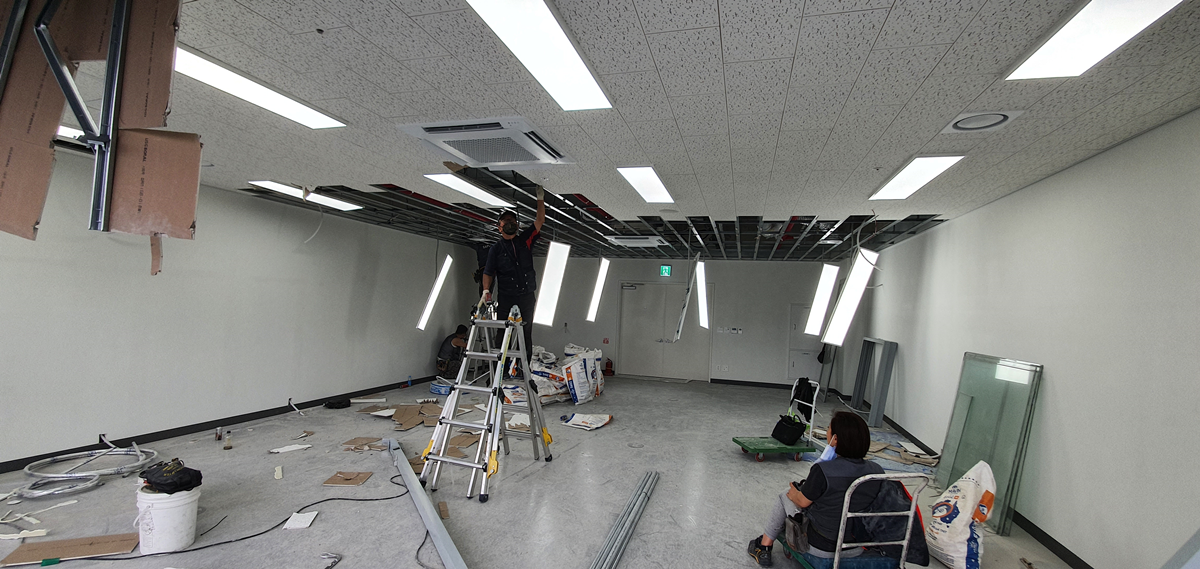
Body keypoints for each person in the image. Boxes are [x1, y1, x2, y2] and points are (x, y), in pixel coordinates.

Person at [747, 412, 891, 568]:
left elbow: (802, 502)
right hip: (856, 546)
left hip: (822, 547)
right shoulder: (877, 470)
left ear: (835, 439)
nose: (827, 432)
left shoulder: (824, 470)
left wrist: (794, 494)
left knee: (785, 495)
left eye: (829, 429)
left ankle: (764, 546)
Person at [481, 186, 545, 364]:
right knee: (503, 331)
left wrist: (540, 199)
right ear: (499, 227)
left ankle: (525, 368)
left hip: (526, 295)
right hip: (506, 296)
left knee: (526, 332)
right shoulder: (496, 249)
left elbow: (540, 220)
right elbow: (488, 272)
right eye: (506, 221)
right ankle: (500, 368)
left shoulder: (525, 240)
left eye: (512, 220)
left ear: (517, 225)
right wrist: (486, 290)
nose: (510, 223)